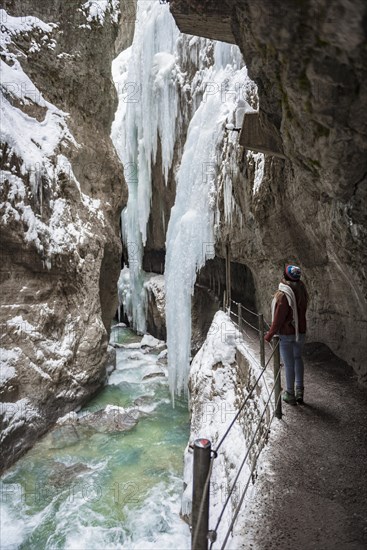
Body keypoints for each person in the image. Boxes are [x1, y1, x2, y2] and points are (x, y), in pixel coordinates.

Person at [264, 265, 308, 405]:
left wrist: (269, 335)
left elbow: (279, 319)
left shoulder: (283, 295)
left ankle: (290, 393)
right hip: (299, 332)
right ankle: (300, 390)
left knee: (289, 364)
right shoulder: (302, 291)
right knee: (298, 359)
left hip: (287, 334)